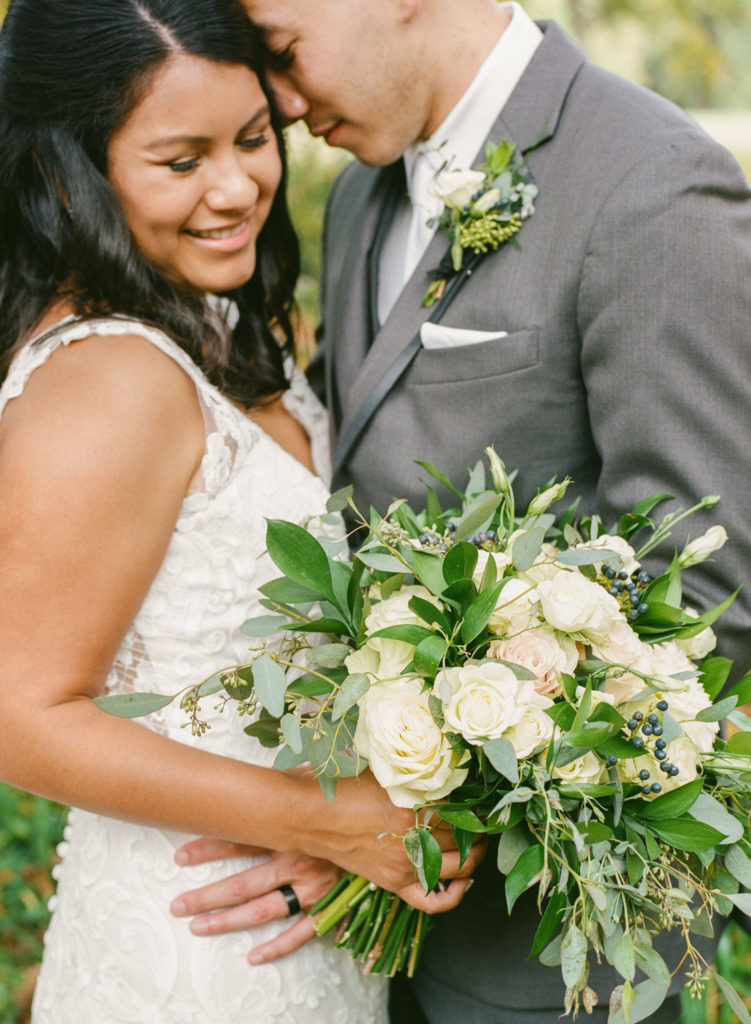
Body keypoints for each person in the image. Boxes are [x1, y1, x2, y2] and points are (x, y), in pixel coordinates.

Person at [170, 1, 751, 1022]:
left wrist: (389, 826)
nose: (281, 102)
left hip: (546, 955)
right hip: (362, 951)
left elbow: (705, 596)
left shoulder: (653, 185)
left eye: (281, 53)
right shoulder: (358, 198)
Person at [0, 1, 478, 1021]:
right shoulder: (108, 378)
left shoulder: (218, 313)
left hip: (306, 931)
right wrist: (336, 822)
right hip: (196, 951)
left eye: (253, 138)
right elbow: (20, 717)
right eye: (182, 161)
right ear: (66, 174)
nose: (237, 188)